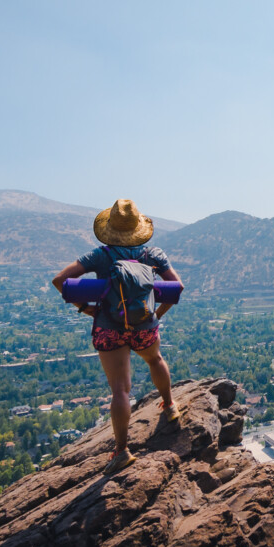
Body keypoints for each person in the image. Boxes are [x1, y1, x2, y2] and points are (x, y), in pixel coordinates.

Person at [52, 198, 182, 473]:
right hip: (144, 327)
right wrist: (157, 315)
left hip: (109, 328)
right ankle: (170, 406)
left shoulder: (100, 255)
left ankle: (122, 450)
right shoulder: (153, 254)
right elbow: (177, 286)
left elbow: (59, 280)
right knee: (155, 360)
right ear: (138, 227)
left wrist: (86, 308)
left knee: (120, 390)